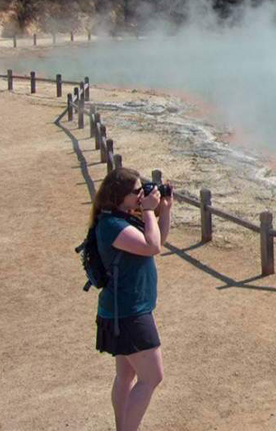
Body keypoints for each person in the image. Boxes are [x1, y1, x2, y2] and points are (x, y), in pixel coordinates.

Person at [91, 167, 172, 431]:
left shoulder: (121, 218)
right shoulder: (112, 225)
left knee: (126, 375)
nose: (141, 195)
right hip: (128, 313)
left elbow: (157, 241)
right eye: (137, 192)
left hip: (124, 310)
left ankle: (121, 427)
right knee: (152, 377)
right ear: (120, 196)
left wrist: (165, 210)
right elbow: (152, 246)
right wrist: (149, 210)